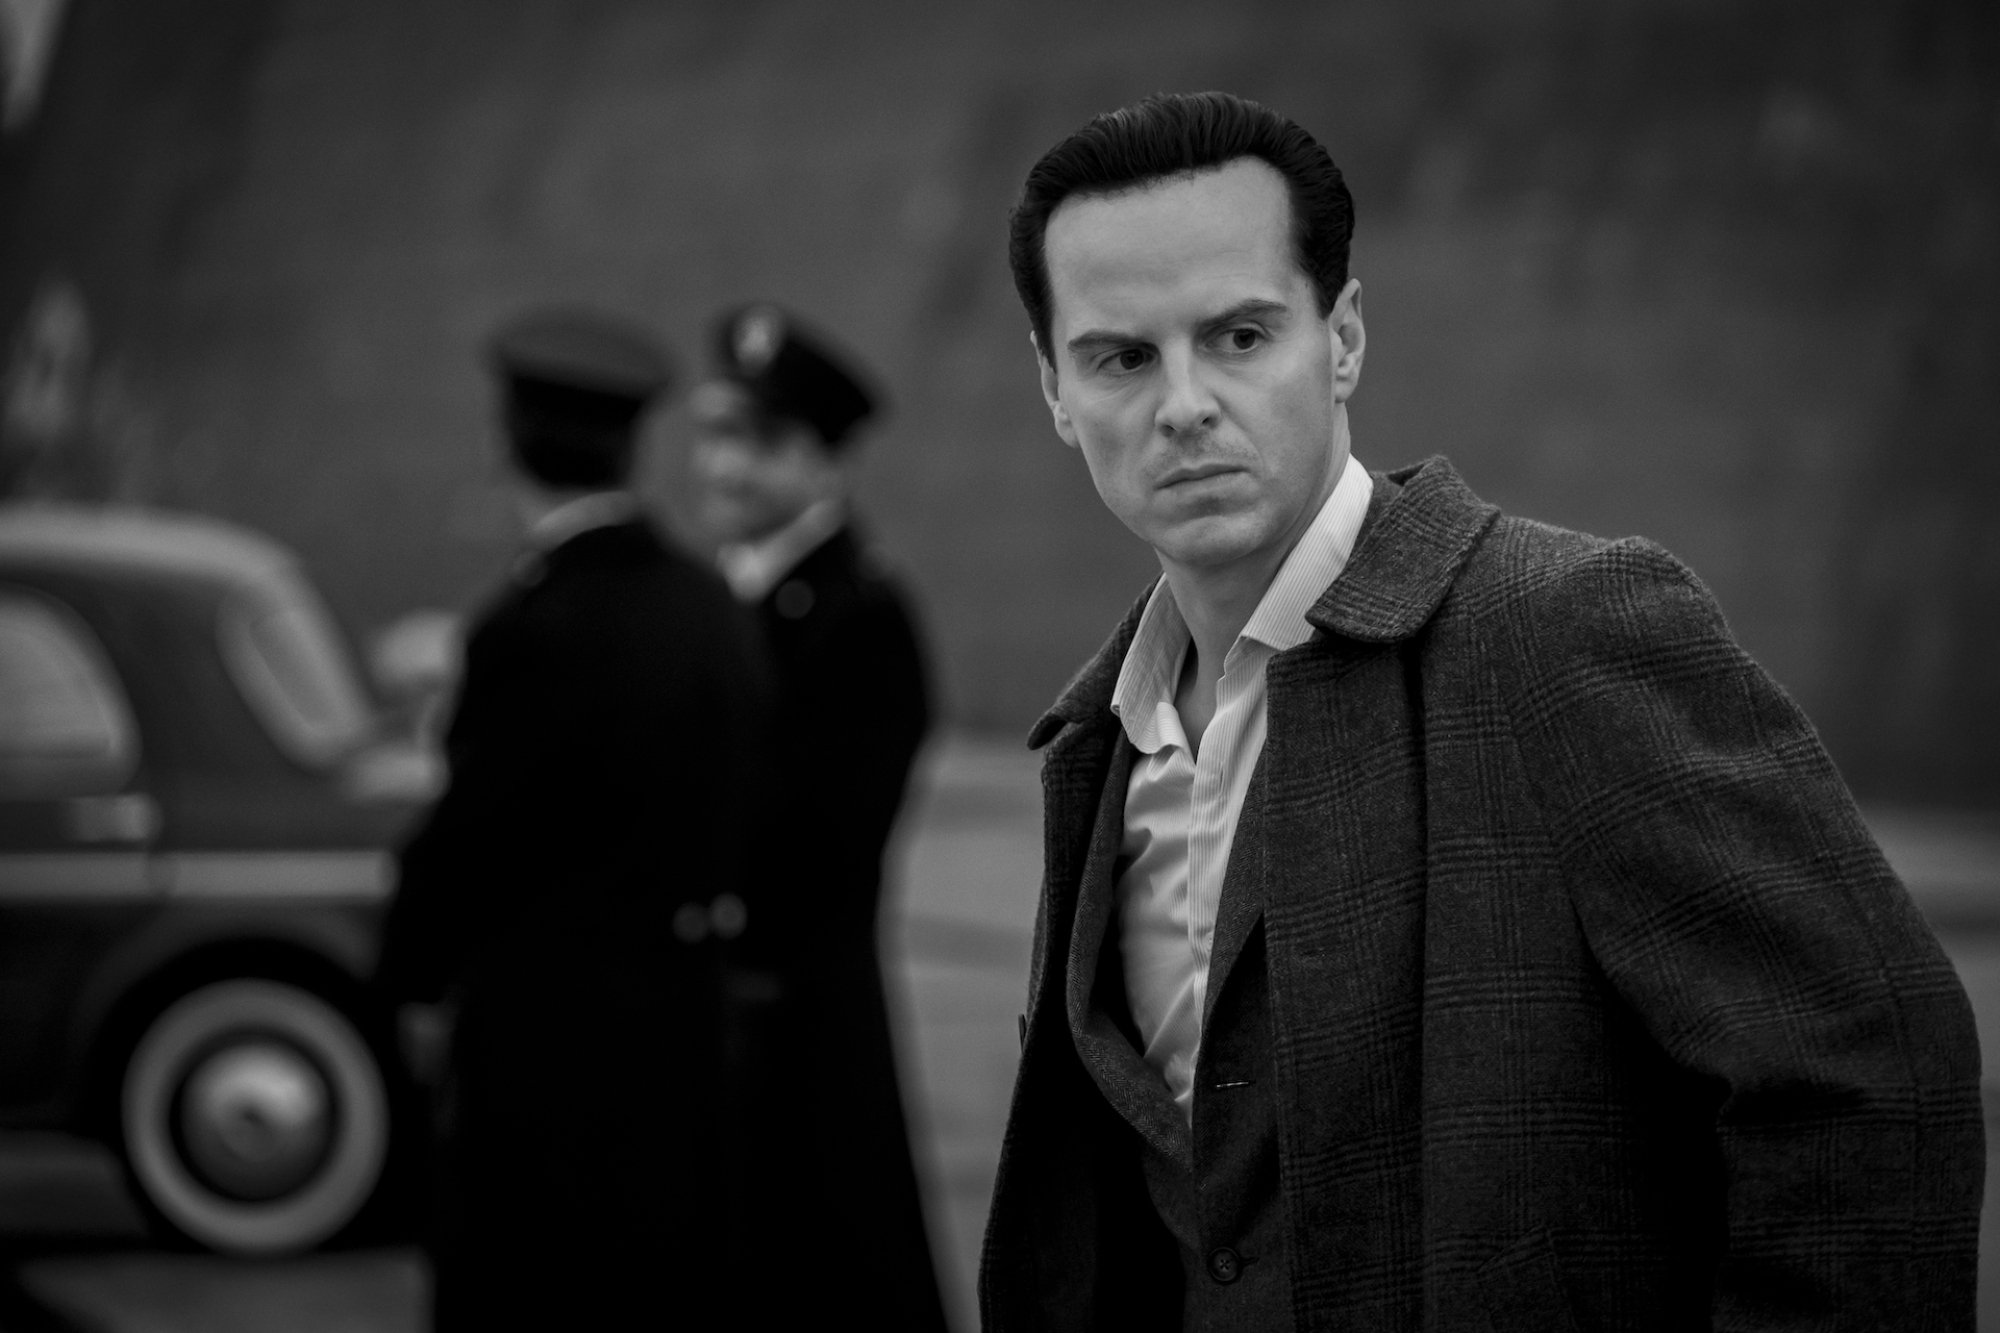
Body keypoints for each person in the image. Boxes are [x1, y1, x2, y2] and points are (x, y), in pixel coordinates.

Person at [978, 91, 1984, 1330]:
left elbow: (1870, 1077)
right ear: (1053, 391)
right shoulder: (1100, 737)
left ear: (1340, 339)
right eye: (1121, 356)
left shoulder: (1559, 627)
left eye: (1239, 336)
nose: (1181, 403)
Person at [374, 308, 772, 1330]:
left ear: (508, 438)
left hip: (540, 1045)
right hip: (681, 1031)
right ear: (629, 444)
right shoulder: (709, 607)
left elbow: (468, 835)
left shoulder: (526, 627)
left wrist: (406, 974)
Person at [688, 303, 948, 1331]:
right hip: (730, 1009)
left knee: (830, 1273)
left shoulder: (858, 615)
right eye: (714, 438)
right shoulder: (727, 599)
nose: (723, 470)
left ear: (824, 463)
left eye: (757, 446)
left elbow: (816, 843)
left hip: (796, 1013)